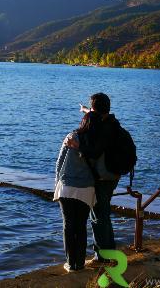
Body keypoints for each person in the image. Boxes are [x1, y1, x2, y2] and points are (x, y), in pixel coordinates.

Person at [64, 93, 121, 266]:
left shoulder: (103, 128)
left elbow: (95, 152)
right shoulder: (112, 122)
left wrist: (77, 146)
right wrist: (85, 110)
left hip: (103, 177)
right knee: (103, 213)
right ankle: (109, 251)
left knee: (98, 216)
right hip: (113, 173)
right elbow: (94, 116)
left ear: (95, 110)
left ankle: (102, 256)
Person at [54, 112, 99, 272]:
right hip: (86, 188)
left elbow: (59, 162)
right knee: (81, 225)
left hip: (67, 186)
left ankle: (70, 263)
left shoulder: (72, 136)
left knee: (68, 225)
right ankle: (80, 263)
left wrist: (56, 184)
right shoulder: (97, 142)